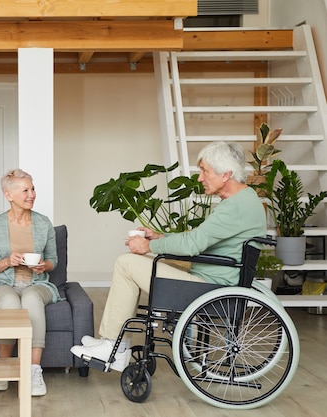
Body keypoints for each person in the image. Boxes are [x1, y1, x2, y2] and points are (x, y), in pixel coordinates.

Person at [71, 141, 267, 367]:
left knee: (126, 263)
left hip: (209, 287)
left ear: (226, 174)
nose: (200, 178)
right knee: (138, 261)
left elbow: (193, 244)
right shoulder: (245, 200)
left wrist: (148, 246)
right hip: (214, 276)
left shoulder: (235, 207)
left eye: (205, 171)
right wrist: (159, 237)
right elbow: (203, 239)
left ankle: (113, 345)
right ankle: (113, 342)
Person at [0, 168, 60, 397]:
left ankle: (34, 371)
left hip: (38, 283)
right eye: (25, 190)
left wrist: (44, 265)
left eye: (32, 188)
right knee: (10, 301)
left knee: (32, 298)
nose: (31, 194)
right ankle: (4, 367)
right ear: (9, 195)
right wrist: (6, 261)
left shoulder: (44, 223)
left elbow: (53, 261)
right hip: (2, 283)